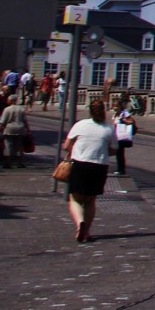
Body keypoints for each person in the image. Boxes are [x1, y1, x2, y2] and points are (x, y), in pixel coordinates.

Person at [61, 99, 115, 244]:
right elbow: (114, 150)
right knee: (90, 200)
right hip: (99, 167)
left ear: (89, 111)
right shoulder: (109, 129)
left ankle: (80, 224)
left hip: (80, 165)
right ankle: (87, 231)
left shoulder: (79, 125)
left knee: (75, 199)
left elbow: (67, 146)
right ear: (104, 111)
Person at [0, 91, 33, 168]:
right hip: (20, 129)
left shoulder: (7, 109)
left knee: (8, 146)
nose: (7, 101)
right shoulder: (21, 109)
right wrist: (28, 130)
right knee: (19, 146)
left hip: (9, 129)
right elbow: (25, 121)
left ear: (11, 100)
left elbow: (2, 121)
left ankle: (8, 163)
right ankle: (20, 163)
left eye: (8, 100)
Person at [113, 100, 137, 176]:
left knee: (119, 153)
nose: (114, 107)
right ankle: (120, 169)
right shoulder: (115, 114)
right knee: (118, 153)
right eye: (113, 106)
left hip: (122, 135)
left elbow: (131, 121)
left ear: (120, 106)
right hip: (117, 135)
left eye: (116, 106)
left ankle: (121, 169)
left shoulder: (124, 113)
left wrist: (124, 121)